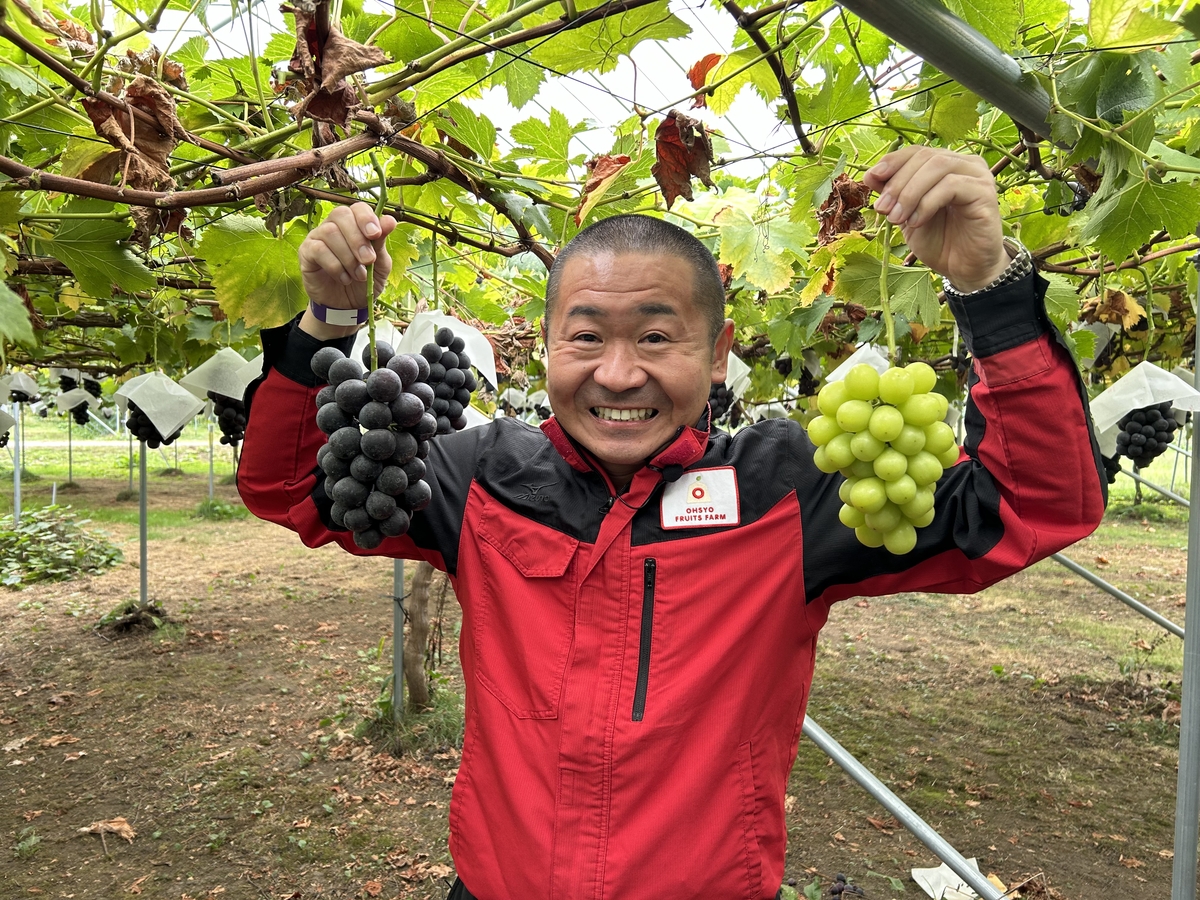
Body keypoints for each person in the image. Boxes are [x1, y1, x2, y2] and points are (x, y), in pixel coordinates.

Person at [238, 146, 1107, 900]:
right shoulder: (481, 477)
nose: (619, 374)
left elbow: (1035, 505)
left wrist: (990, 291)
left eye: (657, 338)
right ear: (549, 346)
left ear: (718, 354)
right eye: (586, 338)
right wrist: (330, 322)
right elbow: (288, 488)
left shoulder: (790, 491)